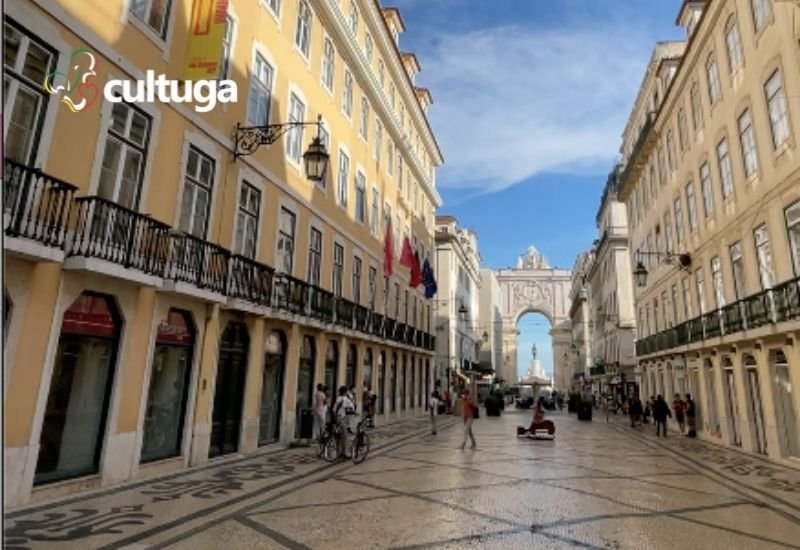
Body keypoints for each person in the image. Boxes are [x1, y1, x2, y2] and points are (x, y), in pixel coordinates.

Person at [334, 385, 356, 458]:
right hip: (343, 419)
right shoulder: (343, 399)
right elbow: (351, 408)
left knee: (338, 437)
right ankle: (344, 453)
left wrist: (336, 417)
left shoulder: (339, 398)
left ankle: (338, 453)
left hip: (339, 418)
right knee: (344, 436)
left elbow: (335, 409)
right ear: (345, 392)